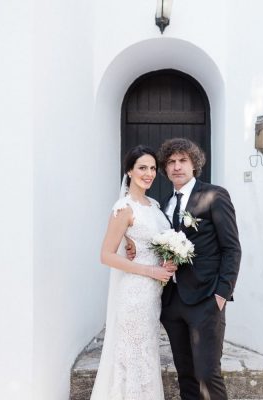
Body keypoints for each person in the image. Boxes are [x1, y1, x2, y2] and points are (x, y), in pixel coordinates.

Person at [157, 138, 242, 400]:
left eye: (183, 160)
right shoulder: (165, 203)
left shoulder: (214, 195)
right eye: (171, 162)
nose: (176, 166)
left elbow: (231, 248)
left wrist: (221, 294)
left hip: (206, 299)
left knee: (207, 373)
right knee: (186, 375)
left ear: (195, 164)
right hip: (173, 303)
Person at [90, 145, 175, 400]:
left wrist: (170, 260)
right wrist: (149, 269)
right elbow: (105, 255)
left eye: (152, 168)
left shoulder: (155, 206)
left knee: (146, 354)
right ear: (129, 170)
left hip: (153, 295)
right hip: (134, 295)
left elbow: (155, 244)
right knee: (133, 357)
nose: (148, 173)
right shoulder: (123, 208)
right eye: (142, 168)